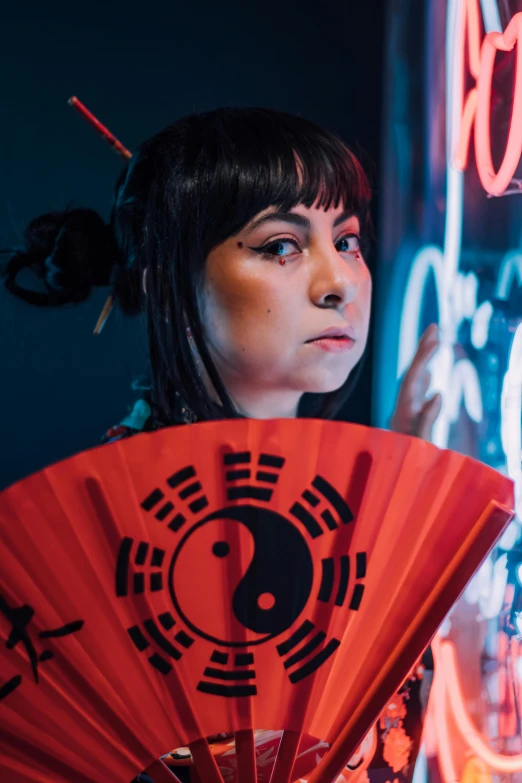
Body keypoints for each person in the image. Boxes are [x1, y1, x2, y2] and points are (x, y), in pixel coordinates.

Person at [2, 106, 442, 783]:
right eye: (280, 247)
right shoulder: (112, 533)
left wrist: (400, 490)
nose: (340, 284)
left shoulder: (352, 495)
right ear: (163, 277)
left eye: (347, 240)